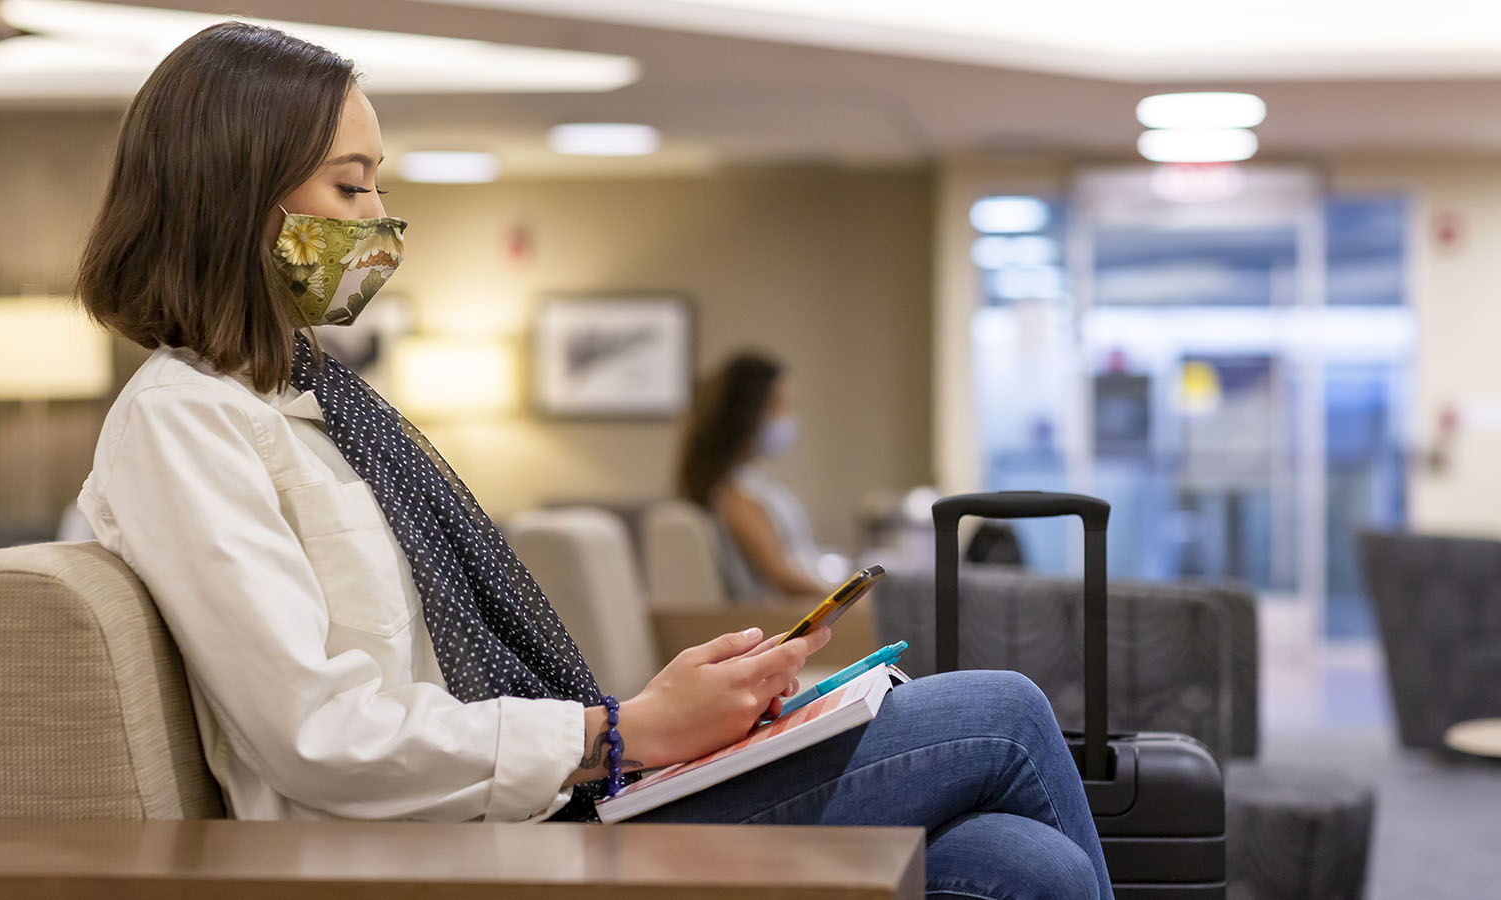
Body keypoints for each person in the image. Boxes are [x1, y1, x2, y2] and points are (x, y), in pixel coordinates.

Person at [74, 22, 1113, 900]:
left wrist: (652, 714)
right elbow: (319, 736)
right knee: (1006, 713)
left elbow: (434, 677)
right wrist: (617, 734)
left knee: (1013, 863)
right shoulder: (185, 423)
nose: (377, 218)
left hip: (517, 804)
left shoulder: (312, 399)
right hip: (436, 847)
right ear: (239, 196)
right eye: (351, 185)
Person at [676, 353, 829, 600]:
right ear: (747, 414)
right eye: (777, 406)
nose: (786, 418)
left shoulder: (753, 484)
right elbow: (781, 576)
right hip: (778, 621)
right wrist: (846, 596)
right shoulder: (736, 495)